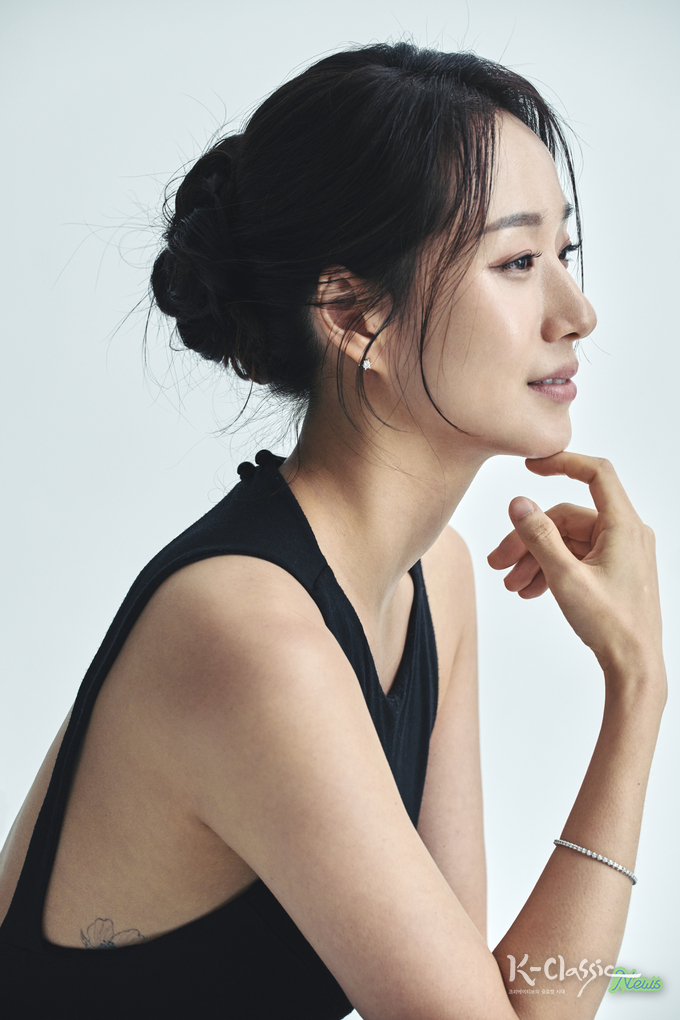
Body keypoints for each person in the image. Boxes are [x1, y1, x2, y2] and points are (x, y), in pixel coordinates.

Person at [0, 41, 666, 1019]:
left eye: (561, 254)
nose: (577, 313)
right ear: (354, 314)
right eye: (518, 262)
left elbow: (494, 1000)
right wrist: (637, 687)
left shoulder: (433, 577)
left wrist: (637, 684)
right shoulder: (252, 636)